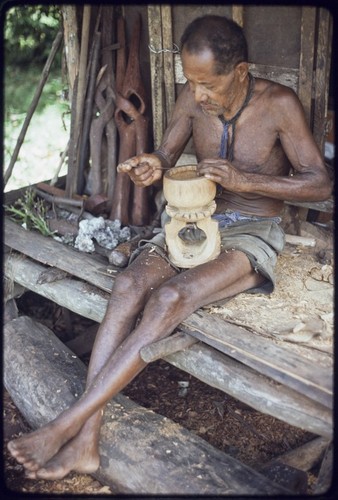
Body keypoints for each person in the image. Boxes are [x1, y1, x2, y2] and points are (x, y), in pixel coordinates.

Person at [8, 15, 331, 480]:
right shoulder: (193, 95)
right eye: (190, 82)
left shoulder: (279, 104)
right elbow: (167, 155)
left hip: (251, 230)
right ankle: (87, 442)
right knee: (128, 284)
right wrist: (150, 164)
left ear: (241, 72)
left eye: (208, 85)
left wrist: (248, 180)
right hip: (194, 219)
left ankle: (68, 423)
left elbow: (320, 183)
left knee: (169, 298)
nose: (197, 95)